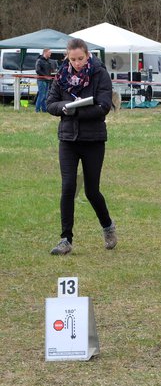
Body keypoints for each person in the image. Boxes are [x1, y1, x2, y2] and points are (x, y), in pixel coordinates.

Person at [46, 38, 117, 255]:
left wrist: (76, 110)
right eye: (73, 59)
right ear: (67, 56)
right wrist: (65, 107)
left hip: (93, 140)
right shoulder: (61, 76)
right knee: (68, 187)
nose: (77, 63)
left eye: (81, 58)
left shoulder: (100, 74)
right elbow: (50, 104)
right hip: (68, 139)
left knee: (91, 191)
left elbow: (104, 106)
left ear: (87, 55)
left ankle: (108, 226)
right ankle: (65, 239)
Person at [35, 48, 53, 113]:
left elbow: (49, 70)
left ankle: (44, 109)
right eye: (49, 52)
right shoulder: (39, 60)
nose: (50, 53)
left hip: (47, 80)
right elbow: (37, 70)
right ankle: (37, 109)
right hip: (41, 80)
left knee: (45, 96)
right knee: (41, 95)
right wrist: (45, 76)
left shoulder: (48, 61)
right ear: (45, 52)